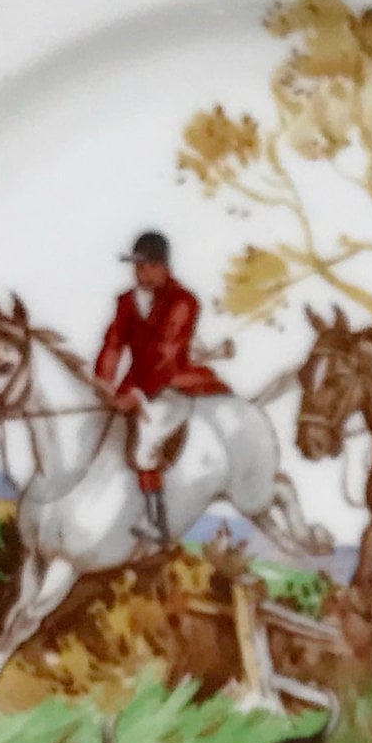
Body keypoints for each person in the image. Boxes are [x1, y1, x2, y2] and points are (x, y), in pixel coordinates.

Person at [95, 231, 230, 540]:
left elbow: (165, 355)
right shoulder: (126, 301)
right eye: (137, 266)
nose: (140, 273)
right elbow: (113, 343)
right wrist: (103, 382)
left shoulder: (184, 302)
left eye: (147, 266)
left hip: (172, 383)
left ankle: (156, 520)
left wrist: (138, 394)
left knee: (146, 444)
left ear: (163, 267)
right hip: (134, 383)